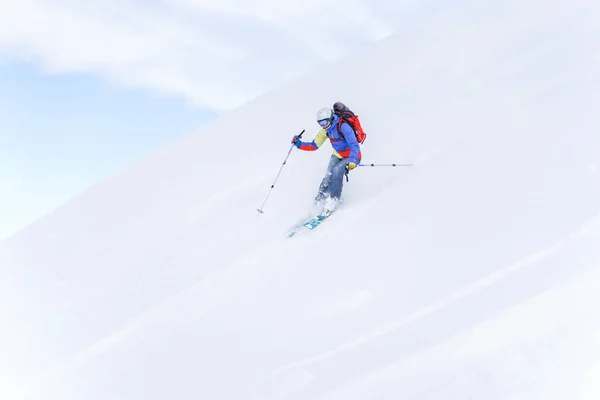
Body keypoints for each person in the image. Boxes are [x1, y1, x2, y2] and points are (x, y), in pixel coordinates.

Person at [291, 106, 362, 211]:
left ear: (331, 118)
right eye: (320, 123)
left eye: (324, 123)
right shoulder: (326, 131)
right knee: (328, 176)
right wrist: (299, 144)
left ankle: (334, 200)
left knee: (337, 170)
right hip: (338, 154)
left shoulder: (343, 126)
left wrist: (353, 160)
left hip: (353, 156)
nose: (323, 126)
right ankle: (319, 200)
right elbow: (314, 145)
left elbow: (354, 145)